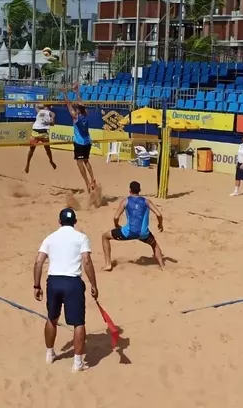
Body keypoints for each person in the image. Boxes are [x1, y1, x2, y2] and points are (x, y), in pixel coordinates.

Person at [34, 207, 98, 372]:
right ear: (75, 222)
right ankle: (77, 363)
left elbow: (39, 261)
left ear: (59, 221)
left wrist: (36, 285)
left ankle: (49, 354)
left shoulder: (50, 238)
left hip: (54, 281)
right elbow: (87, 262)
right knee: (78, 322)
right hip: (72, 282)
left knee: (52, 318)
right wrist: (93, 284)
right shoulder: (81, 237)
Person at [101, 181, 165, 271]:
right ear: (140, 190)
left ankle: (108, 264)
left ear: (129, 190)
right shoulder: (147, 201)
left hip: (128, 233)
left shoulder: (125, 201)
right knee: (154, 245)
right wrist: (160, 224)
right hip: (144, 234)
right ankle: (162, 266)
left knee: (105, 236)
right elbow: (159, 214)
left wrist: (116, 225)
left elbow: (116, 217)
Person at [66, 95, 95, 192]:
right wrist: (76, 91)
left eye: (77, 109)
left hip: (80, 143)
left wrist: (65, 94)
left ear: (78, 110)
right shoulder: (85, 114)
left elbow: (68, 105)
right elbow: (81, 104)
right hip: (87, 142)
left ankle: (87, 182)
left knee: (79, 163)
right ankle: (92, 178)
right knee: (86, 161)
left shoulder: (75, 117)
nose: (76, 109)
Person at [25, 104, 57, 174]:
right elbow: (36, 106)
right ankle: (28, 164)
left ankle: (51, 160)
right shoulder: (40, 110)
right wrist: (43, 105)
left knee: (47, 149)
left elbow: (53, 123)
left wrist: (48, 121)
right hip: (36, 131)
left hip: (44, 132)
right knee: (31, 150)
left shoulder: (50, 113)